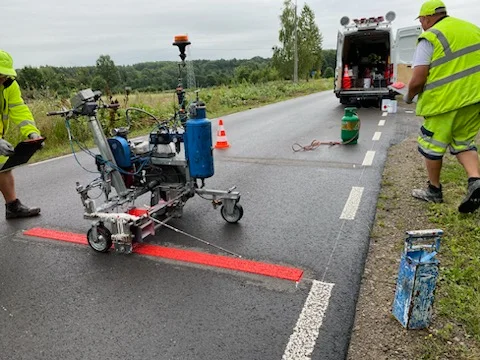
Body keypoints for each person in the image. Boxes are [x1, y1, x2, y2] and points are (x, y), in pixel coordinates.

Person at [405, 0, 480, 213]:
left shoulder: (430, 38)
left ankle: (434, 191)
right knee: (464, 142)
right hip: (475, 98)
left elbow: (418, 79)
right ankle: (475, 181)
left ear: (427, 17)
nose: (421, 24)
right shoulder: (472, 29)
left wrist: (409, 96)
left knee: (432, 146)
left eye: (421, 20)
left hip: (445, 102)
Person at [0, 50, 43, 219]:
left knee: (4, 166)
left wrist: (32, 133)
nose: (3, 79)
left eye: (5, 75)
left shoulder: (9, 85)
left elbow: (19, 110)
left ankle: (13, 207)